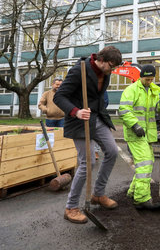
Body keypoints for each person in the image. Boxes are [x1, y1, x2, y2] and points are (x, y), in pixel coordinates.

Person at [54, 46, 122, 224]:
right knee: (88, 162)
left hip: (97, 118)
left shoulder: (105, 73)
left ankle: (98, 194)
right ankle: (71, 207)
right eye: (111, 66)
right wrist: (75, 111)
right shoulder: (79, 71)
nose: (112, 70)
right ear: (102, 59)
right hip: (79, 120)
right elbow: (59, 97)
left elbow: (98, 96)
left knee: (112, 151)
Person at [119, 64, 160, 210]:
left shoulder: (155, 90)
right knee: (145, 162)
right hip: (135, 134)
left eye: (151, 79)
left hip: (148, 134)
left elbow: (158, 109)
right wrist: (135, 125)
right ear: (141, 77)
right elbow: (123, 110)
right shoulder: (131, 90)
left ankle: (133, 192)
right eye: (147, 79)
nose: (149, 81)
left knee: (146, 162)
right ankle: (141, 199)